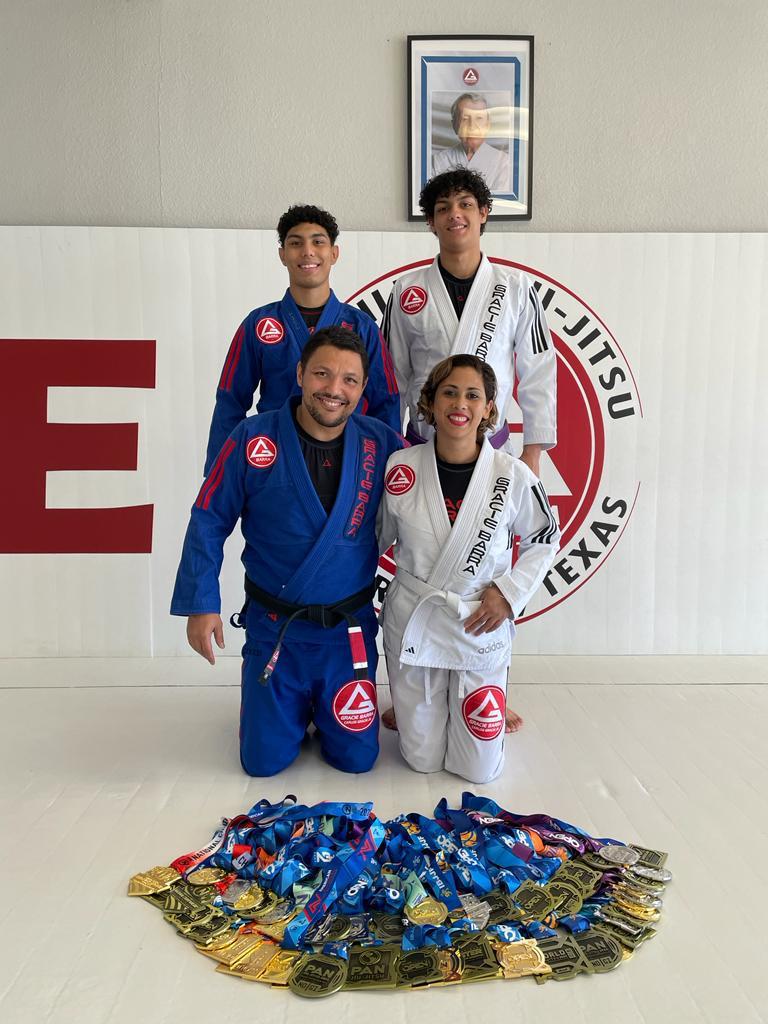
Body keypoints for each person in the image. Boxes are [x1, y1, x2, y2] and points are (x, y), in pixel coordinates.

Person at [172, 326, 403, 776]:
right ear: (299, 374)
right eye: (322, 373)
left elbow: (430, 501)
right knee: (262, 764)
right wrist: (201, 603)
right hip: (276, 629)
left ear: (363, 388)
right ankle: (291, 710)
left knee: (357, 762)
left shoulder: (383, 444)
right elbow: (209, 517)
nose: (334, 389)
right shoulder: (251, 438)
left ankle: (316, 709)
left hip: (347, 633)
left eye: (350, 380)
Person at [382, 168, 558, 732]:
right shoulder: (407, 293)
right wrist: (387, 447)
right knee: (420, 565)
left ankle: (492, 686)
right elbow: (391, 376)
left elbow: (537, 372)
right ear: (430, 222)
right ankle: (409, 685)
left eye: (465, 204)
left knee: (491, 569)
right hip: (423, 444)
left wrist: (534, 451)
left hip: (490, 448)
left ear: (483, 213)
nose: (454, 215)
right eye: (442, 207)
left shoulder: (515, 289)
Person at [378, 355, 559, 784]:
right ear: (430, 402)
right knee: (421, 760)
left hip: (479, 622)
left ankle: (480, 709)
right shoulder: (401, 467)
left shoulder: (512, 475)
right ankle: (413, 708)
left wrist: (509, 593)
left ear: (489, 408)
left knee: (479, 771)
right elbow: (372, 538)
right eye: (450, 392)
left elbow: (545, 538)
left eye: (473, 395)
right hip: (416, 621)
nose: (460, 403)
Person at [203, 204, 399, 474]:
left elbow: (385, 402)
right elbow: (230, 401)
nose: (307, 251)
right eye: (296, 243)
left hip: (348, 458)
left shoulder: (361, 327)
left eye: (318, 242)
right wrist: (221, 472)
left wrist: (389, 468)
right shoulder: (258, 324)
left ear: (334, 253)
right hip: (275, 455)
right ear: (282, 255)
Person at [432, 93, 510, 192]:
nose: (472, 126)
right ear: (455, 125)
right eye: (465, 119)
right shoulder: (439, 160)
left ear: (488, 125)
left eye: (479, 118)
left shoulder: (503, 162)